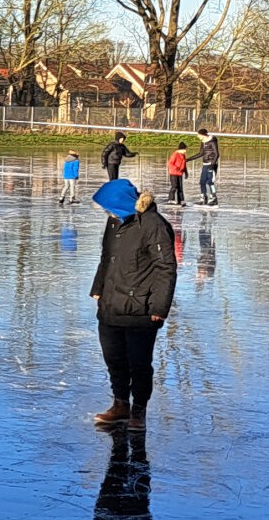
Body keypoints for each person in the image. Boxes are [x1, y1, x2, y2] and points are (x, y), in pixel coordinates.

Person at [88, 180, 175, 431]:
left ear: (121, 203)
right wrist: (98, 288)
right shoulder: (114, 223)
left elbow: (166, 268)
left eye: (109, 207)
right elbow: (107, 258)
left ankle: (139, 410)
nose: (107, 213)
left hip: (141, 309)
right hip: (111, 304)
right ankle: (120, 404)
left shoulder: (153, 225)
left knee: (138, 363)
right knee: (114, 359)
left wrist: (159, 307)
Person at [191, 129, 221, 205]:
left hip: (211, 165)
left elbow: (217, 154)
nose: (197, 136)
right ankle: (203, 198)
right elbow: (201, 153)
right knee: (202, 182)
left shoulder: (212, 141)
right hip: (205, 165)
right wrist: (189, 159)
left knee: (210, 182)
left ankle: (214, 198)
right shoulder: (203, 142)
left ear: (203, 134)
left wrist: (212, 164)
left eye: (198, 135)